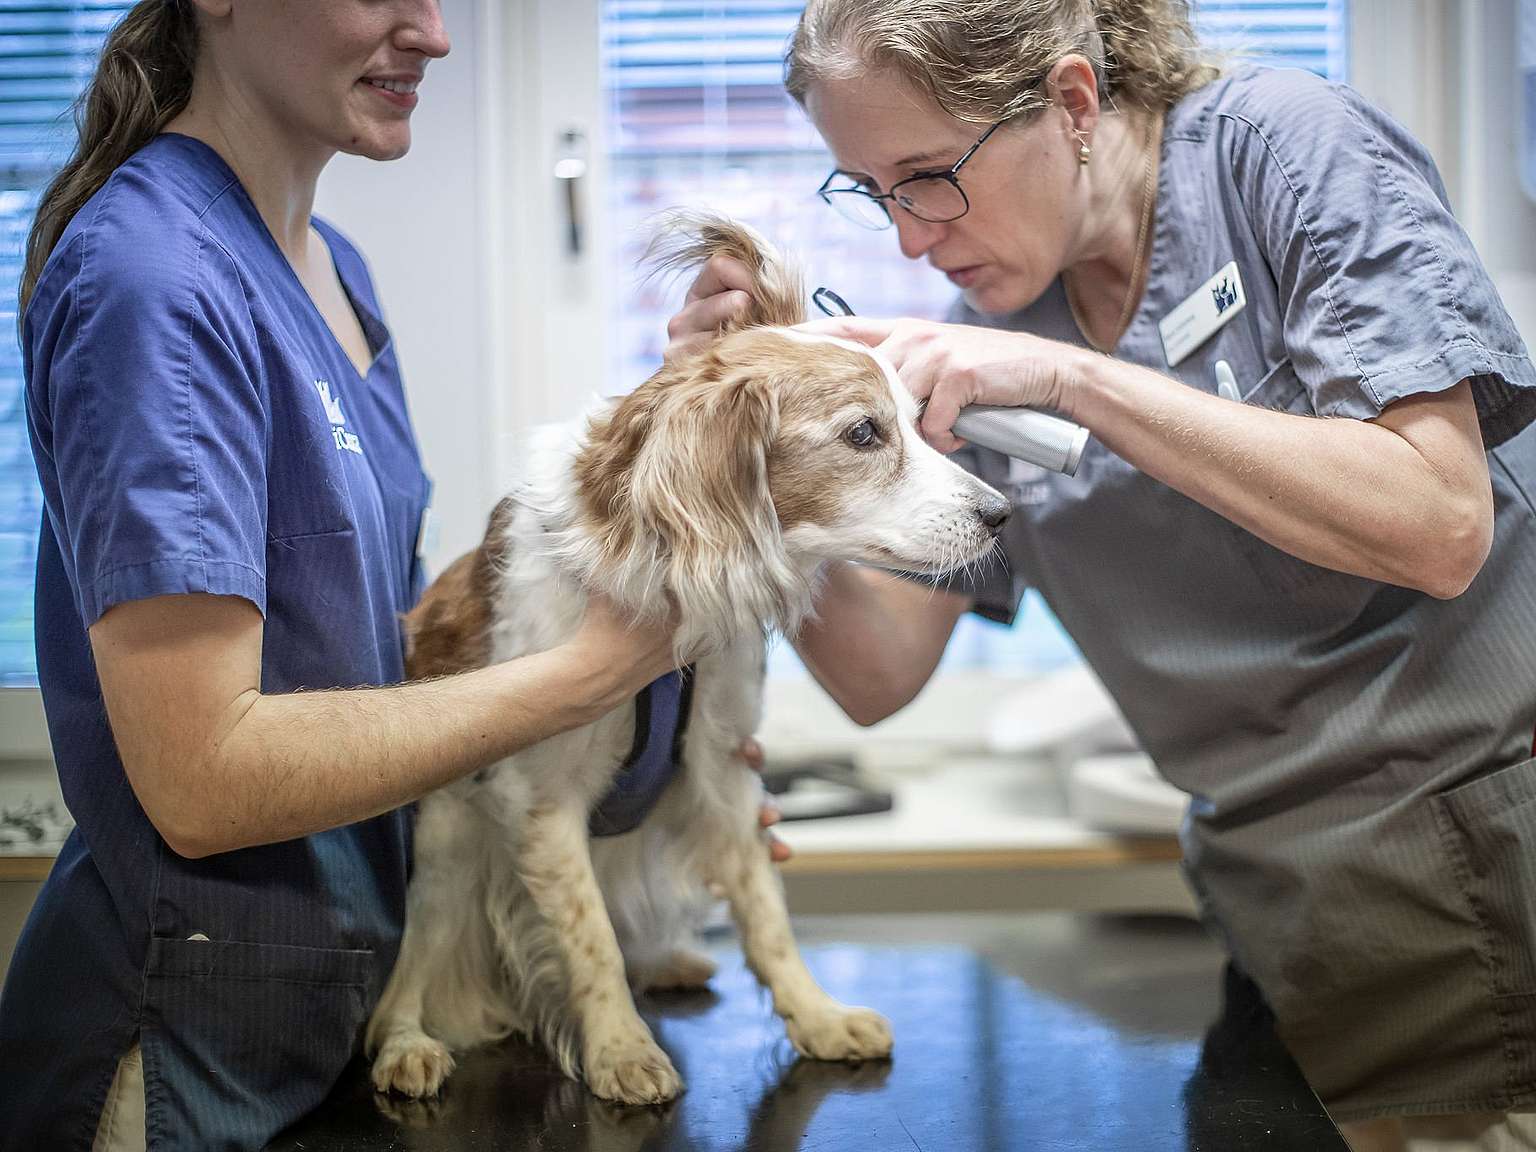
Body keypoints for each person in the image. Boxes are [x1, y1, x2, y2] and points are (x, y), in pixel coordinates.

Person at [670, 0, 1536, 1147]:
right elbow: (877, 672)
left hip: (1486, 861)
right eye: (875, 193)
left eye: (930, 174)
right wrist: (761, 460)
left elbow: (1438, 520)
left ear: (1073, 102)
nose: (912, 240)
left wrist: (1074, 382)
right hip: (1285, 915)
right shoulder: (991, 328)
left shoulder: (1279, 150)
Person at [0, 2, 780, 1148]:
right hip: (179, 1059)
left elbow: (388, 650)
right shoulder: (155, 281)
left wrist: (663, 452)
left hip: (335, 1021)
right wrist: (591, 673)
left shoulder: (330, 268)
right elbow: (203, 777)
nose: (434, 33)